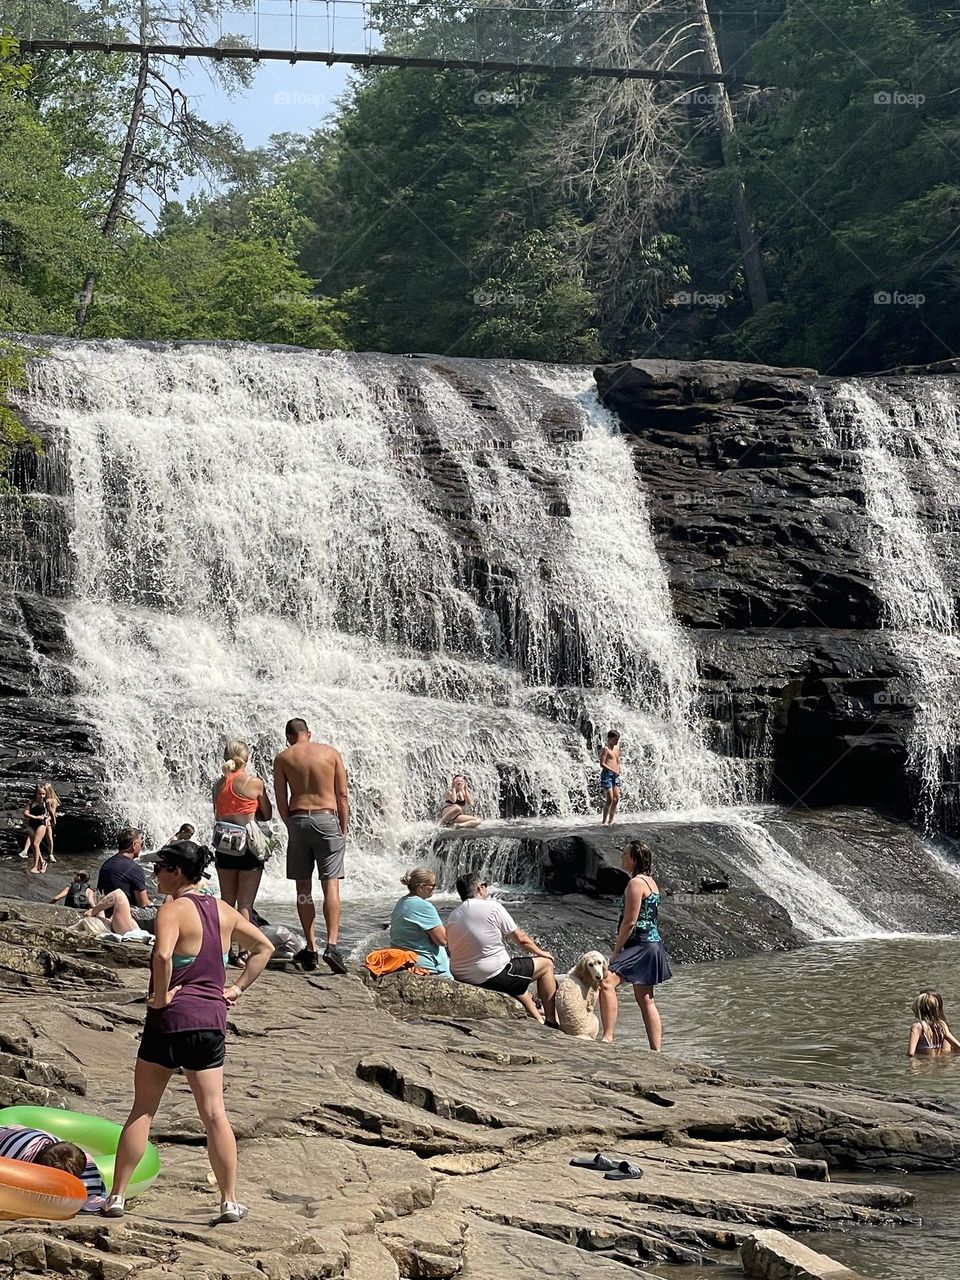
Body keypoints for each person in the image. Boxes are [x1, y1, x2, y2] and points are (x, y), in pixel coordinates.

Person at [102, 840, 273, 1223]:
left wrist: (160, 999)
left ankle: (116, 1198)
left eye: (160, 867)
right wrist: (237, 988)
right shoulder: (225, 911)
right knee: (215, 1113)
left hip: (169, 1021)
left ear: (177, 872)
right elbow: (264, 947)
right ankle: (229, 1201)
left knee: (143, 1108)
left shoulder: (172, 910)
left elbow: (163, 956)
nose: (155, 874)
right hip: (210, 1021)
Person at [273, 717, 349, 975]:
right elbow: (342, 795)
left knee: (303, 887)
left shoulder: (284, 757)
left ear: (289, 737)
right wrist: (344, 827)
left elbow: (281, 799)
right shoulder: (331, 753)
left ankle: (312, 948)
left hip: (298, 820)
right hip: (327, 819)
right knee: (331, 884)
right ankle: (333, 945)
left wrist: (290, 824)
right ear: (309, 733)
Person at [446, 871, 557, 1022]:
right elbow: (521, 939)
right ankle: (552, 1021)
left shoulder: (453, 915)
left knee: (517, 974)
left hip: (462, 976)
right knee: (546, 965)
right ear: (479, 888)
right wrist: (542, 953)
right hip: (490, 975)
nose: (487, 888)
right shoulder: (492, 907)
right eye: (485, 885)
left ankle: (538, 1017)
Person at [599, 840, 671, 1049]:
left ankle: (608, 1037)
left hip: (640, 943)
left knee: (607, 983)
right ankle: (656, 1050)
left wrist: (616, 950)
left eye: (624, 854)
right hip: (653, 942)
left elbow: (630, 921)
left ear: (634, 858)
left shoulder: (635, 883)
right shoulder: (651, 882)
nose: (621, 858)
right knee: (645, 998)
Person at [212, 740, 272, 942]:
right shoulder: (254, 783)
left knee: (227, 901)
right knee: (245, 904)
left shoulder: (218, 785)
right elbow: (267, 814)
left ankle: (223, 948)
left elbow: (217, 813)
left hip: (224, 844)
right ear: (246, 759)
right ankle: (243, 951)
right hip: (247, 846)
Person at [0, 1125, 106, 1207]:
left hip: (38, 1137)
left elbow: (93, 1200)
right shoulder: (13, 1158)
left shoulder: (86, 1163)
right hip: (10, 1134)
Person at [87, 828, 157, 935]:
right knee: (160, 911)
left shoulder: (107, 864)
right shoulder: (134, 868)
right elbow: (143, 903)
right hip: (124, 917)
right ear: (134, 845)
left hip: (106, 912)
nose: (142, 847)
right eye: (141, 843)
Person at [389, 868, 452, 978]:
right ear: (421, 887)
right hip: (426, 965)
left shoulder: (401, 902)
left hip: (402, 959)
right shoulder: (424, 906)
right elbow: (442, 940)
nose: (434, 888)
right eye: (433, 885)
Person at [907, 991, 960, 1056]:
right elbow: (958, 1047)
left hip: (924, 1064)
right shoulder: (942, 1025)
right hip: (939, 1063)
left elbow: (911, 1053)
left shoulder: (917, 1027)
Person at [22, 784, 49, 873]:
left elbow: (51, 814)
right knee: (34, 846)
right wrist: (35, 817)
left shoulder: (46, 803)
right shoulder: (31, 802)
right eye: (39, 794)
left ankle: (35, 866)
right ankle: (43, 862)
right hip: (32, 823)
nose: (41, 796)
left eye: (43, 794)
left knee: (36, 844)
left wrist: (49, 819)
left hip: (41, 824)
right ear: (36, 793)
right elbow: (25, 813)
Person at [600, 731, 622, 826]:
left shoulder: (617, 748)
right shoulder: (606, 749)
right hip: (607, 775)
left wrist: (619, 769)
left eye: (618, 739)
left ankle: (611, 820)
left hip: (615, 775)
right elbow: (602, 763)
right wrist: (613, 770)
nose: (617, 741)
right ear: (609, 738)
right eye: (615, 739)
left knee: (616, 798)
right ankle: (604, 821)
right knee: (610, 798)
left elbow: (617, 760)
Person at [41, 783, 60, 863]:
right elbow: (53, 812)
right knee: (49, 838)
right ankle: (51, 855)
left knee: (44, 837)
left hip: (46, 819)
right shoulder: (54, 800)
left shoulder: (48, 800)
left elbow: (51, 811)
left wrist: (52, 819)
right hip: (48, 819)